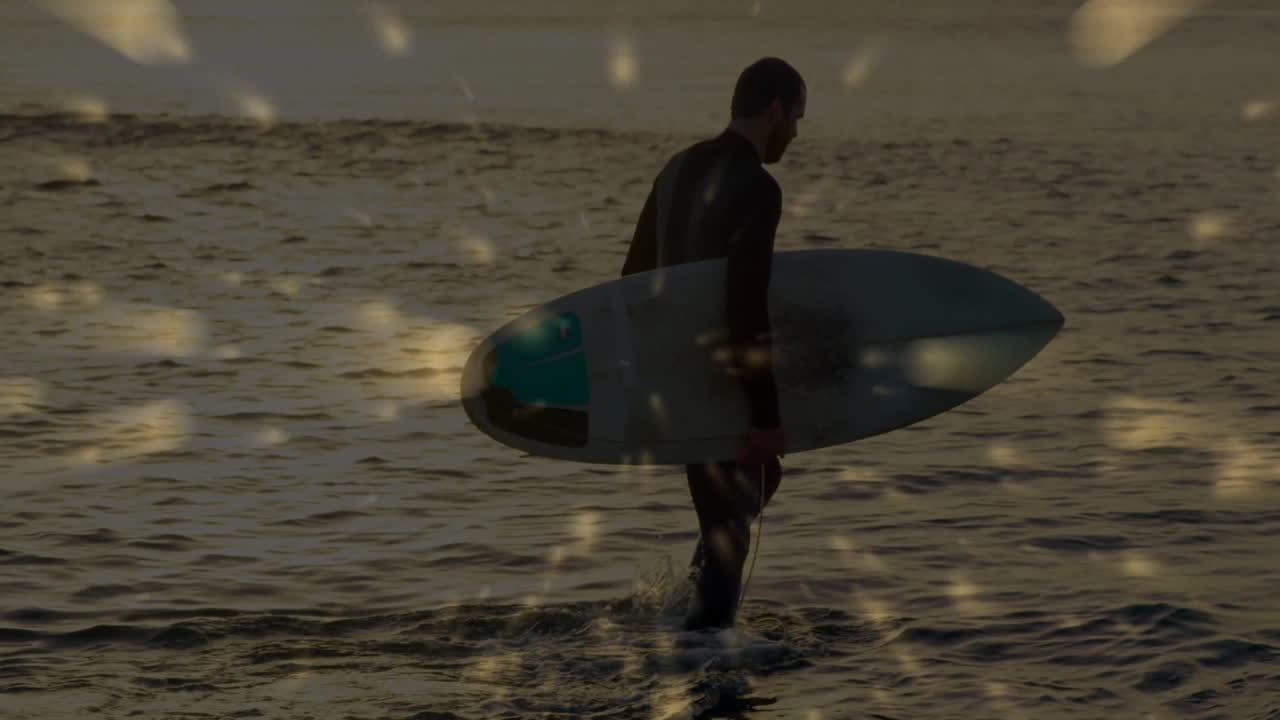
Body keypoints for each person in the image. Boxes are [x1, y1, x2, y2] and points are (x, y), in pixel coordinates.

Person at [620, 57, 805, 630]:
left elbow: (630, 281)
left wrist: (646, 375)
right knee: (729, 524)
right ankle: (702, 652)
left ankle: (686, 613)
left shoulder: (677, 169)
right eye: (796, 118)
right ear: (774, 109)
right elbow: (746, 305)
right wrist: (766, 416)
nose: (795, 133)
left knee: (751, 490)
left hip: (674, 376)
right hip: (718, 381)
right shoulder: (757, 187)